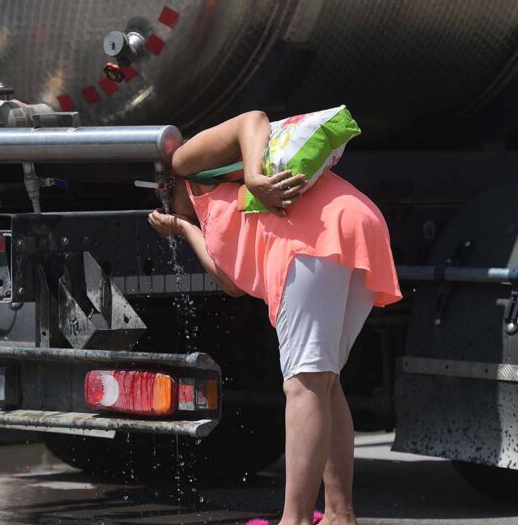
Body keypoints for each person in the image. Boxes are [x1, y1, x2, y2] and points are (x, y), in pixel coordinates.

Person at [147, 111, 402, 525]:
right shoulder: (206, 214)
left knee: (305, 384)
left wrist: (253, 178)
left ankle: (294, 519)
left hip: (314, 238)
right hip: (352, 226)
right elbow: (230, 283)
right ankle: (339, 515)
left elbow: (253, 119)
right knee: (324, 382)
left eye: (161, 199)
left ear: (165, 184)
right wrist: (183, 228)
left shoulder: (185, 163)